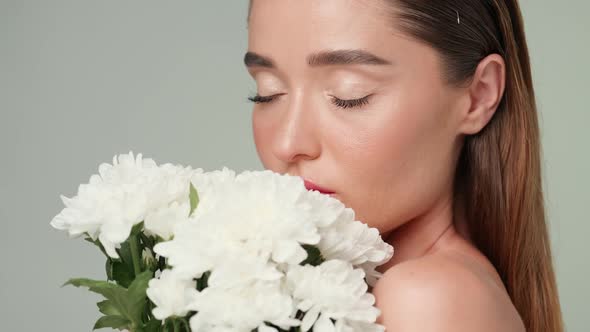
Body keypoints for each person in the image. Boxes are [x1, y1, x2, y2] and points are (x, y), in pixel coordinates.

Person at [244, 1, 563, 331]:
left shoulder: (428, 298)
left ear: (479, 95)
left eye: (349, 94)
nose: (288, 143)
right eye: (267, 92)